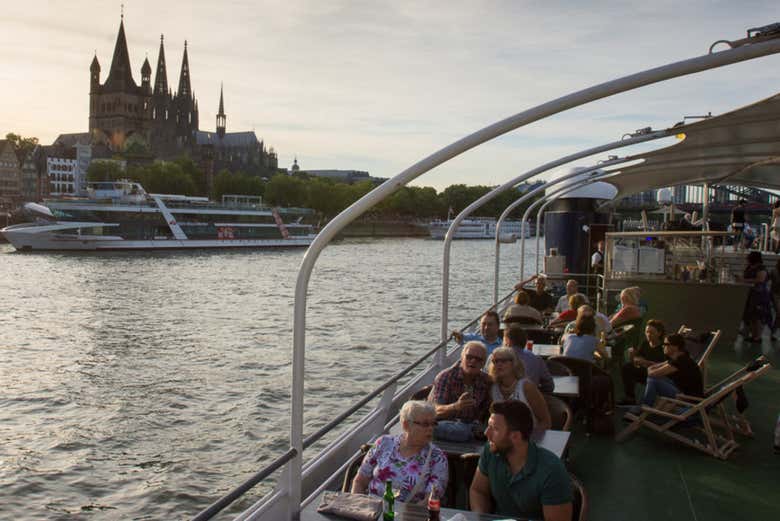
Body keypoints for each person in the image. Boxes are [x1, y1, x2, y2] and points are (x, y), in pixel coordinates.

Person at [470, 401, 572, 520]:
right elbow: (478, 491)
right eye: (488, 426)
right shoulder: (491, 451)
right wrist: (481, 517)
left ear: (516, 437)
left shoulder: (552, 471)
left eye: (495, 429)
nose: (486, 433)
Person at [352, 400, 448, 503]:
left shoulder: (437, 457)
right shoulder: (383, 443)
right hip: (371, 510)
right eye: (425, 424)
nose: (430, 429)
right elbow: (359, 482)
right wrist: (358, 507)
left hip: (408, 514)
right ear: (406, 425)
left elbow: (430, 500)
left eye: (433, 423)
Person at [428, 341, 491, 441]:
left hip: (473, 425)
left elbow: (488, 411)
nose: (473, 361)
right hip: (446, 424)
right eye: (469, 357)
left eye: (478, 359)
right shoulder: (446, 376)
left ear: (483, 363)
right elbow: (435, 411)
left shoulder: (486, 381)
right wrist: (456, 406)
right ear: (462, 358)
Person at [628, 333, 703, 415]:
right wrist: (648, 364)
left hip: (687, 399)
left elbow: (652, 374)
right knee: (654, 379)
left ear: (675, 347)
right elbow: (656, 365)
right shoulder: (679, 356)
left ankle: (645, 407)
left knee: (653, 380)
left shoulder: (680, 361)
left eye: (666, 344)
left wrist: (650, 368)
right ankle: (645, 405)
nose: (663, 346)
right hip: (681, 391)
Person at [487, 347, 551, 436]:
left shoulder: (526, 387)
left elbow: (545, 421)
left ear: (514, 364)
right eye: (495, 361)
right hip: (503, 439)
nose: (499, 364)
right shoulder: (493, 389)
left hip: (529, 437)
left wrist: (528, 440)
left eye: (504, 361)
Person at [618, 319, 667, 406]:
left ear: (659, 333)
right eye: (647, 332)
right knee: (627, 367)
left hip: (656, 375)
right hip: (644, 371)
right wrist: (634, 356)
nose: (648, 334)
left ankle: (646, 403)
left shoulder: (663, 348)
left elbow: (664, 366)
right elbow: (638, 356)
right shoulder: (646, 343)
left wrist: (646, 362)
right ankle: (630, 398)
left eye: (651, 332)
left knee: (631, 369)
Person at [503, 326, 554, 393]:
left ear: (507, 341)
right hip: (530, 401)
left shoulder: (495, 358)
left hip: (502, 401)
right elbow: (549, 386)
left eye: (503, 339)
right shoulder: (537, 359)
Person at [742, 250, 771, 343]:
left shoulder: (761, 268)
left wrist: (744, 280)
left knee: (758, 315)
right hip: (750, 293)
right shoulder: (750, 267)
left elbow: (760, 279)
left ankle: (758, 337)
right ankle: (753, 335)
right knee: (752, 315)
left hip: (759, 294)